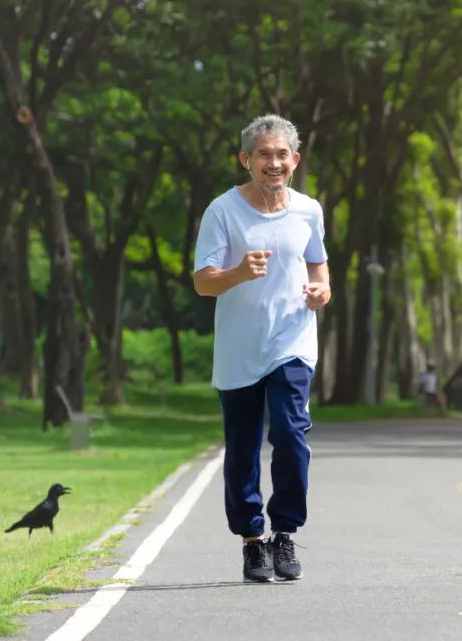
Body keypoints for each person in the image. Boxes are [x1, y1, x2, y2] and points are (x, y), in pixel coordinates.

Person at [192, 114, 330, 583]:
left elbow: (320, 272)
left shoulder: (309, 210)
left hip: (292, 341)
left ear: (295, 159)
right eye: (263, 154)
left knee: (291, 435)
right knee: (243, 446)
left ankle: (285, 532)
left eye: (281, 154)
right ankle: (253, 541)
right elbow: (202, 283)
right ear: (245, 159)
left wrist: (321, 293)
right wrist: (237, 273)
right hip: (239, 349)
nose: (274, 163)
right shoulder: (223, 211)